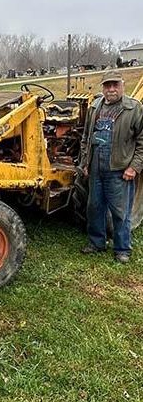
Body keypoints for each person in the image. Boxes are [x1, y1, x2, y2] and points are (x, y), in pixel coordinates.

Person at [78, 71, 143, 264]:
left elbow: (142, 141)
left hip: (119, 169)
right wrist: (85, 162)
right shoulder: (95, 107)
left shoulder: (133, 108)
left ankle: (122, 249)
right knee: (94, 208)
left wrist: (134, 167)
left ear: (122, 85)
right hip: (96, 168)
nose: (111, 89)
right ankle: (97, 243)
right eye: (107, 85)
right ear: (103, 88)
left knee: (120, 212)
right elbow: (86, 138)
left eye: (115, 85)